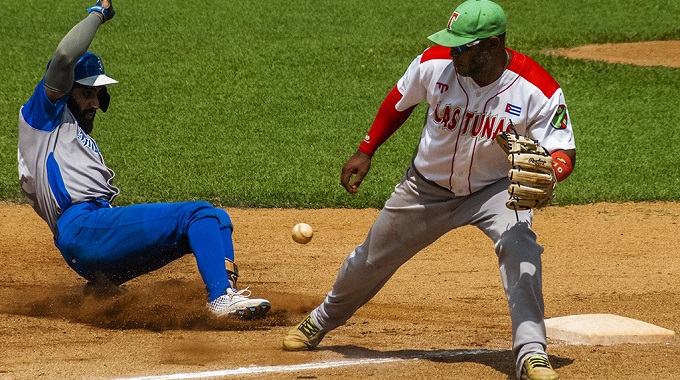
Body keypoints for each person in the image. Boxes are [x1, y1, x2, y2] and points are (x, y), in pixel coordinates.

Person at [282, 1, 575, 379]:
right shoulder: (434, 63)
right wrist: (366, 148)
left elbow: (562, 149)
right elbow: (399, 100)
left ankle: (531, 353)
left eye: (463, 47)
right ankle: (321, 320)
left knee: (521, 248)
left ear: (492, 45)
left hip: (495, 190)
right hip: (425, 188)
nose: (453, 53)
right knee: (371, 257)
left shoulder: (538, 89)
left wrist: (555, 170)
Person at [17, 1, 270, 319]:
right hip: (86, 231)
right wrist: (99, 12)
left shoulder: (71, 137)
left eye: (99, 95)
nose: (95, 102)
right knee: (197, 214)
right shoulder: (42, 115)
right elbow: (65, 57)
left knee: (217, 218)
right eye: (87, 93)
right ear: (65, 90)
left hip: (94, 253)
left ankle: (226, 292)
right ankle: (220, 298)